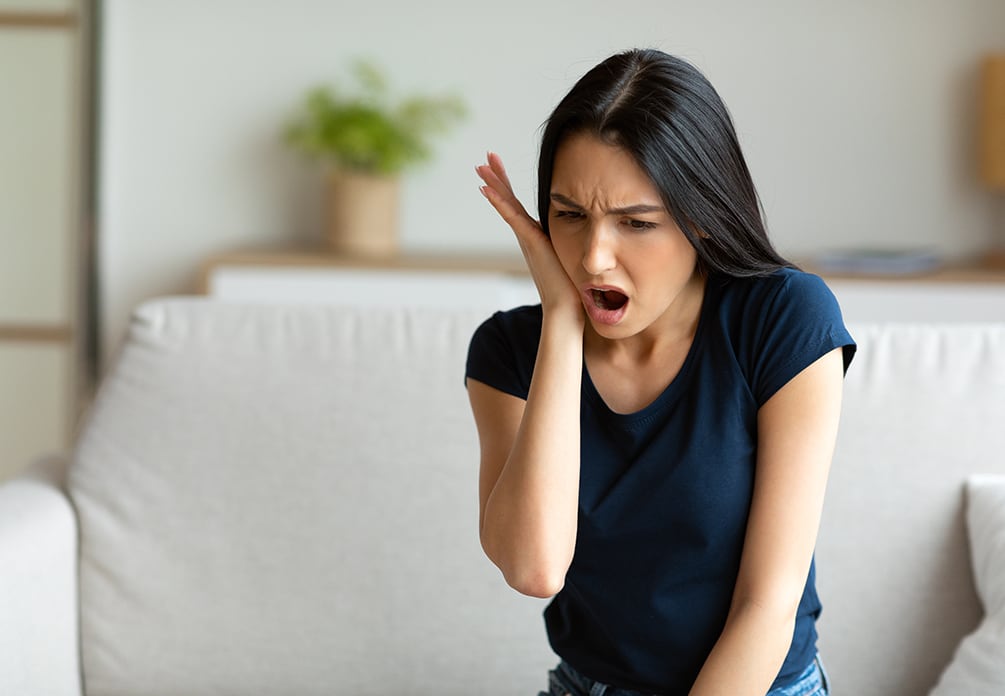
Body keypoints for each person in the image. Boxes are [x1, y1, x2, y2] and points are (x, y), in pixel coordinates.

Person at [466, 48, 855, 696]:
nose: (593, 258)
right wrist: (561, 323)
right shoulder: (508, 352)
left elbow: (769, 602)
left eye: (635, 223)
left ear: (701, 217)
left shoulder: (784, 318)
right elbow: (534, 568)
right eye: (568, 215)